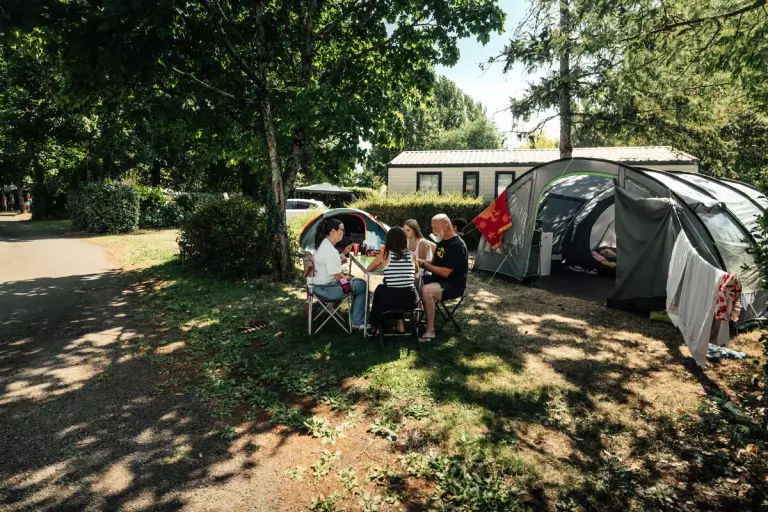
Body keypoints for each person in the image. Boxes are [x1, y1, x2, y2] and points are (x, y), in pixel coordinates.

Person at [417, 214, 469, 342]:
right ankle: (419, 315)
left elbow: (445, 272)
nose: (433, 231)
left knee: (426, 290)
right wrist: (415, 260)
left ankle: (430, 331)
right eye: (432, 228)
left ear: (446, 226)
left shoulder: (457, 245)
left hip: (453, 285)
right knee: (413, 280)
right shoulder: (442, 241)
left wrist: (423, 264)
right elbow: (433, 261)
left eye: (435, 228)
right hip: (438, 280)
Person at [311, 218, 368, 330]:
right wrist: (349, 279)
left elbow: (330, 266)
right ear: (333, 231)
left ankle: (356, 318)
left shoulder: (325, 245)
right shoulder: (330, 251)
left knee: (357, 282)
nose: (343, 233)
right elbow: (338, 277)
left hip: (318, 285)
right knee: (362, 285)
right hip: (328, 289)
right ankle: (356, 322)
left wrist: (341, 258)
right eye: (342, 230)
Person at [366, 227, 419, 334]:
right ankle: (400, 325)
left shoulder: (385, 254)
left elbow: (369, 269)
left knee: (381, 290)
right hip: (411, 300)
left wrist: (383, 266)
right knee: (396, 290)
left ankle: (376, 325)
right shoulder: (412, 255)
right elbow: (416, 270)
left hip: (392, 300)